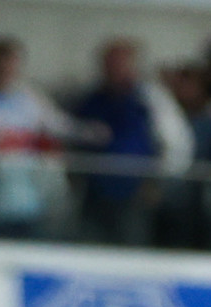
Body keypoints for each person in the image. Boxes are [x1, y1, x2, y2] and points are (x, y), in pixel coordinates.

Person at [72, 39, 191, 247]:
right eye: (109, 64)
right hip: (96, 194)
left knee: (129, 249)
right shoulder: (91, 100)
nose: (114, 70)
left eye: (119, 64)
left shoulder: (151, 100)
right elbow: (76, 138)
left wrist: (158, 183)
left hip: (135, 194)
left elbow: (175, 144)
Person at [0, 36, 74, 237]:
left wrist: (90, 132)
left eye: (11, 64)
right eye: (1, 64)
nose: (6, 70)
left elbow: (57, 125)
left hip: (29, 198)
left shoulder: (29, 99)